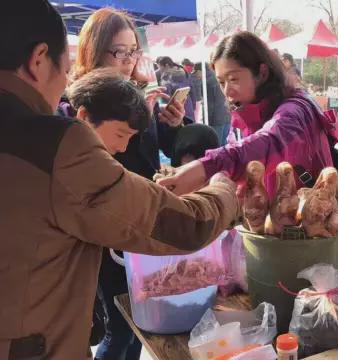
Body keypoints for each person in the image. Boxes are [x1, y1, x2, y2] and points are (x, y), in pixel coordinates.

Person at [0, 2, 238, 359]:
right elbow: (181, 224)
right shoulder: (57, 143)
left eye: (133, 52)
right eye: (63, 71)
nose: (64, 82)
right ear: (38, 59)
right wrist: (224, 187)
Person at [70, 8, 191, 359]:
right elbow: (109, 159)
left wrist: (171, 124)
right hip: (107, 226)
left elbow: (160, 150)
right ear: (94, 51)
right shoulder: (82, 101)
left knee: (141, 324)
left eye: (133, 50)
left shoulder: (139, 94)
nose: (127, 60)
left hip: (143, 218)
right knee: (119, 327)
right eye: (118, 52)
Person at [157, 32, 338, 197]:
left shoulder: (295, 109)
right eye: (221, 82)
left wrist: (205, 167)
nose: (227, 91)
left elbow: (268, 143)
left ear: (261, 73)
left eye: (233, 79)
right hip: (271, 227)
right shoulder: (254, 110)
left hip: (304, 226)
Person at [67, 68, 149, 155]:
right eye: (120, 135)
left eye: (130, 137)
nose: (123, 148)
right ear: (84, 116)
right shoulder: (59, 156)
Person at [195, 62, 232, 146]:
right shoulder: (218, 77)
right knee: (224, 143)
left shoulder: (207, 82)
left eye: (196, 73)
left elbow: (209, 104)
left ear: (201, 71)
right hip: (226, 114)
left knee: (215, 145)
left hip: (215, 118)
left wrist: (206, 120)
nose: (196, 76)